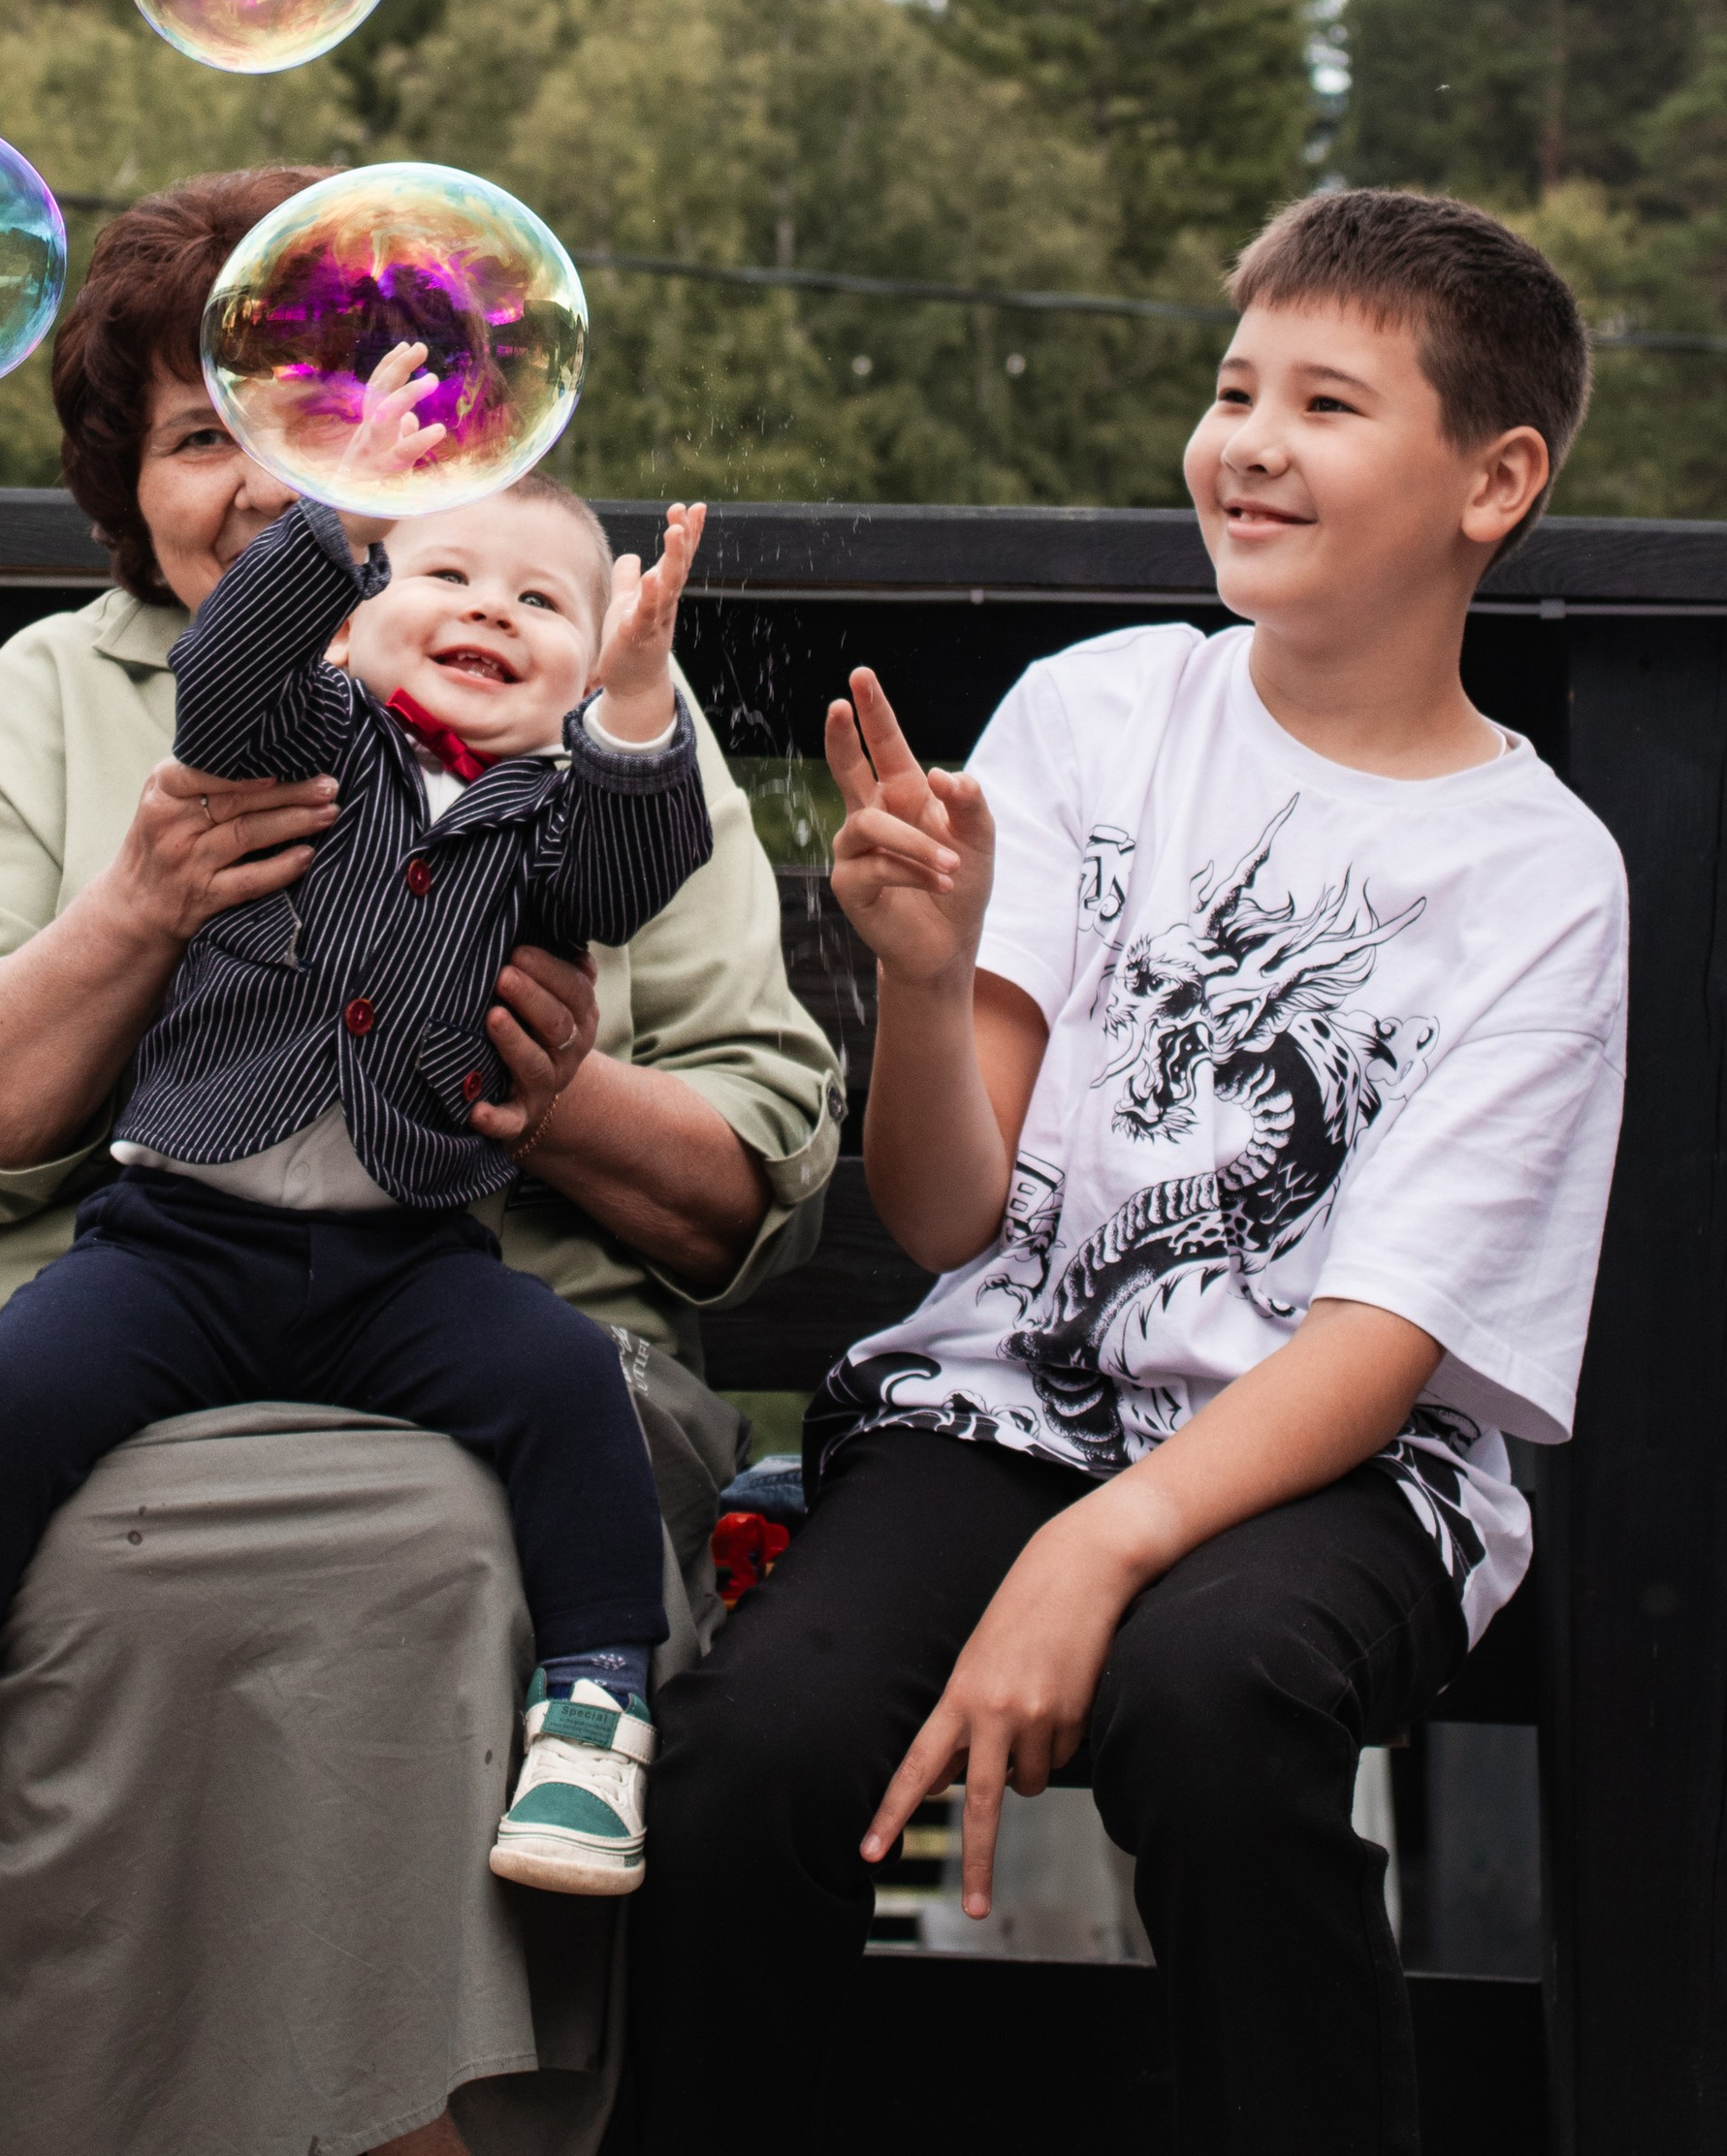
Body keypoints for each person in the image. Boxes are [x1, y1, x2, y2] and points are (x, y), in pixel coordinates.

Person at [0, 168, 844, 2156]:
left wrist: (559, 1099)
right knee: (87, 1568)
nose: (263, 480)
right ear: (127, 487)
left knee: (451, 1560)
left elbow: (752, 1183)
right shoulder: (64, 691)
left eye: (316, 416)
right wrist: (137, 909)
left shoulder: (583, 693)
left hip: (506, 1371)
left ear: (445, 433)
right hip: (102, 1346)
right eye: (203, 435)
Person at [628, 186, 1630, 2156]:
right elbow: (947, 1218)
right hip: (998, 1410)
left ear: (1493, 480)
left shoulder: (1538, 879)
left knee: (1213, 1700)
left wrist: (1092, 1553)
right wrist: (923, 984)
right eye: (1232, 388)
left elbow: (1378, 1345)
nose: (1248, 441)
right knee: (759, 1749)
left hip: (1337, 1467)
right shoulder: (1100, 711)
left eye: (1325, 404)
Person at [0, 462, 716, 1951]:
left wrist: (641, 698)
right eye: (445, 576)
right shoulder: (302, 732)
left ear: (575, 677)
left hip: (409, 1261)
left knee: (564, 1382)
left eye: (543, 603)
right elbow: (221, 670)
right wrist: (338, 518)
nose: (490, 610)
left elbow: (629, 866)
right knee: (10, 1396)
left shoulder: (546, 817)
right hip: (184, 1243)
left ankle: (594, 1726)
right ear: (353, 621)